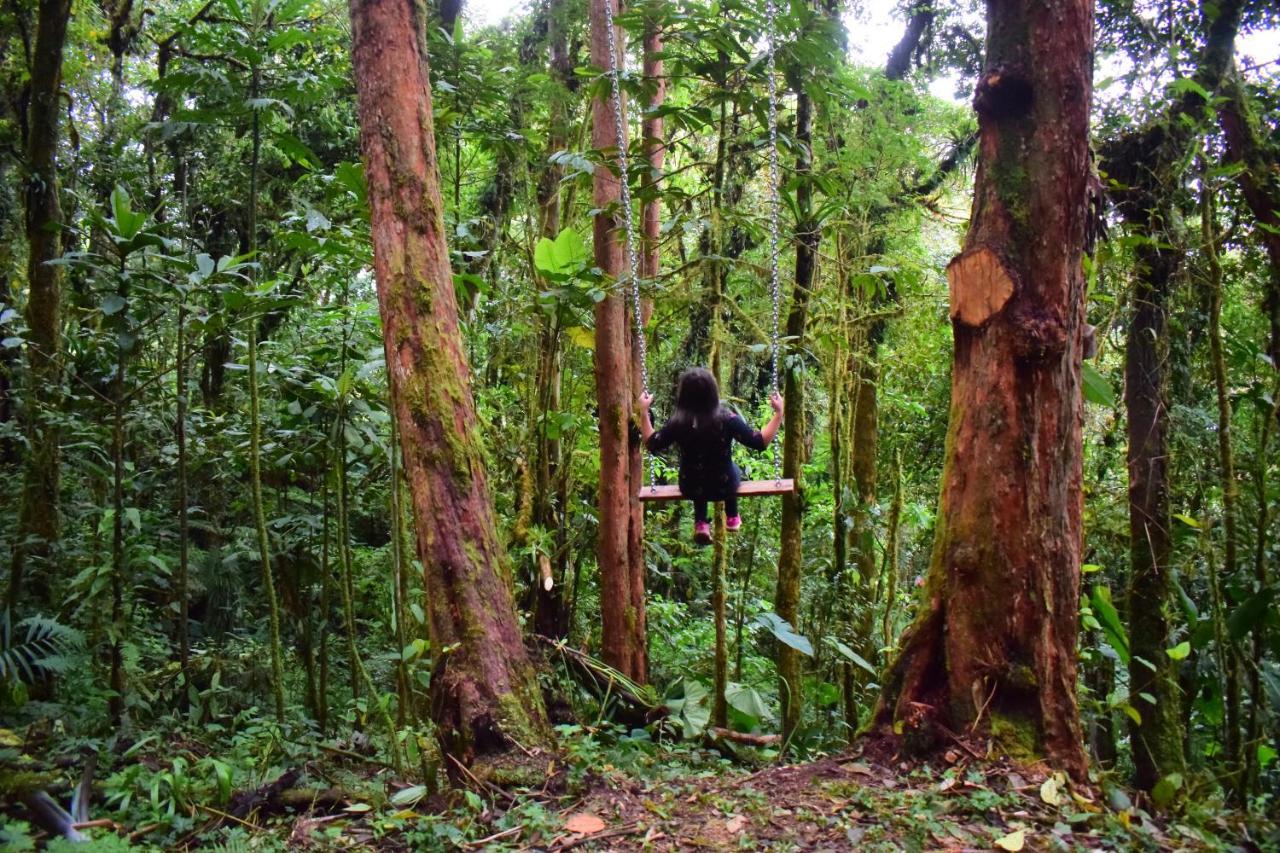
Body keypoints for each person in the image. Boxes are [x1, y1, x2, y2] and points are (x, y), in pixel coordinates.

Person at [638, 367, 784, 545]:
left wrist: (643, 412)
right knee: (734, 470)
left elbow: (652, 443)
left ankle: (701, 523)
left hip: (690, 486)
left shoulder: (678, 422)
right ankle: (732, 517)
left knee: (698, 474)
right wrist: (778, 414)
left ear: (683, 396)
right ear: (713, 393)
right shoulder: (727, 419)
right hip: (724, 486)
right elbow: (760, 442)